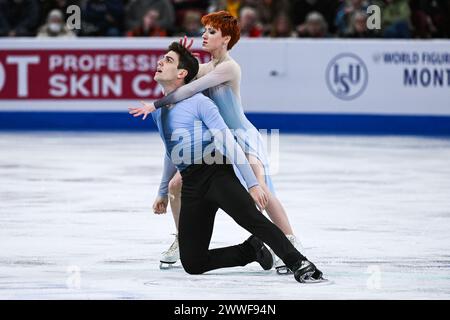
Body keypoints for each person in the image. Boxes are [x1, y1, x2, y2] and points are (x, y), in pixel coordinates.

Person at [129, 42, 324, 283]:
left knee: (252, 219)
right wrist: (161, 192)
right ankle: (251, 250)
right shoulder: (159, 112)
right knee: (192, 263)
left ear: (182, 74)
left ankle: (300, 263)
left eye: (168, 60)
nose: (160, 62)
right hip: (191, 183)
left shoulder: (200, 103)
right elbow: (171, 152)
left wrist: (252, 183)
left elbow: (229, 143)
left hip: (215, 175)